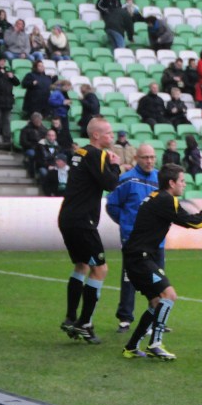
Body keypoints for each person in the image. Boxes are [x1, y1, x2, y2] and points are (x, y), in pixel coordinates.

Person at [122, 164, 202, 360]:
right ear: (171, 183)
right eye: (182, 181)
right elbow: (194, 222)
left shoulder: (157, 197)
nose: (184, 185)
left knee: (156, 302)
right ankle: (155, 343)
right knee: (169, 295)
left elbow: (189, 218)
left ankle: (131, 347)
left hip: (137, 256)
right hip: (140, 257)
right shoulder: (165, 200)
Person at [58, 117, 122, 344]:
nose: (112, 137)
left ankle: (70, 317)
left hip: (67, 217)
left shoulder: (80, 153)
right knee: (101, 269)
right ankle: (85, 323)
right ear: (96, 135)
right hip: (83, 221)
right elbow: (111, 184)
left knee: (82, 266)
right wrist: (115, 165)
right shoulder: (97, 155)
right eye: (108, 133)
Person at [106, 143, 159, 333]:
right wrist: (127, 224)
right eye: (145, 157)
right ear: (136, 158)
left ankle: (154, 317)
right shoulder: (126, 179)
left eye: (152, 157)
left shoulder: (159, 179)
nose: (149, 161)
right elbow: (112, 205)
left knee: (157, 279)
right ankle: (125, 318)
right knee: (130, 278)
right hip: (133, 239)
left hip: (156, 240)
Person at [0, 55, 20, 145]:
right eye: (1, 61)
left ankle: (7, 139)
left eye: (4, 61)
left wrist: (12, 77)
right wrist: (0, 73)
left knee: (7, 121)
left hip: (8, 100)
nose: (3, 62)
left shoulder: (8, 71)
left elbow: (17, 83)